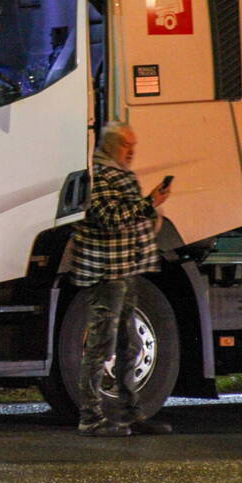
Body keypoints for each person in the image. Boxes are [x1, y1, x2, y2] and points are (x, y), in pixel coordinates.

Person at [71, 122, 172, 437]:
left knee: (129, 345)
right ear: (113, 145)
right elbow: (109, 218)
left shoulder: (119, 174)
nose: (132, 152)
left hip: (125, 269)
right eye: (128, 145)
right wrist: (149, 204)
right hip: (108, 271)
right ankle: (90, 418)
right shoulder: (100, 176)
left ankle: (131, 413)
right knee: (101, 345)